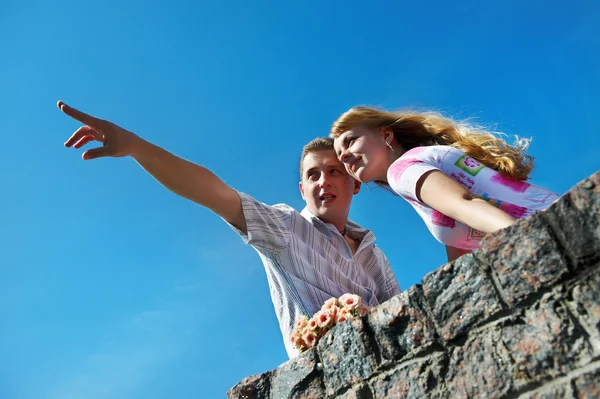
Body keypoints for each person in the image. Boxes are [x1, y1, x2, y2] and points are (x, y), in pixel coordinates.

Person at [57, 101, 401, 358]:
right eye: (312, 175)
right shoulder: (285, 227)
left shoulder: (375, 256)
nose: (322, 181)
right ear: (302, 189)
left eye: (333, 171)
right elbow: (213, 192)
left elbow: (397, 319)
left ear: (354, 183)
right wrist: (136, 147)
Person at [330, 106, 559, 262]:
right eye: (341, 157)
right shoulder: (421, 161)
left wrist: (532, 240)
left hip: (551, 235)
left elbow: (466, 204)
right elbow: (459, 245)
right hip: (555, 215)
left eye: (351, 141)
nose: (346, 156)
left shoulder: (402, 171)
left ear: (386, 136)